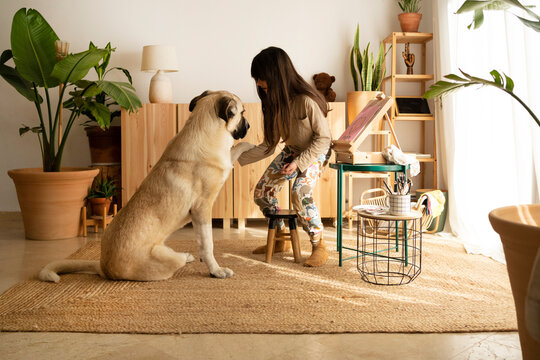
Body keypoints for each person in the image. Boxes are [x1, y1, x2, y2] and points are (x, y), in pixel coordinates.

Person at [238, 46, 332, 267]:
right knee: (262, 193)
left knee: (300, 192)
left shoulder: (306, 101)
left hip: (315, 151)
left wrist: (299, 164)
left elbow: (323, 139)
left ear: (276, 75)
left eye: (261, 78)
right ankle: (281, 239)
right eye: (257, 79)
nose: (259, 83)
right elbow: (269, 145)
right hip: (292, 151)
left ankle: (319, 245)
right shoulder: (272, 103)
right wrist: (234, 157)